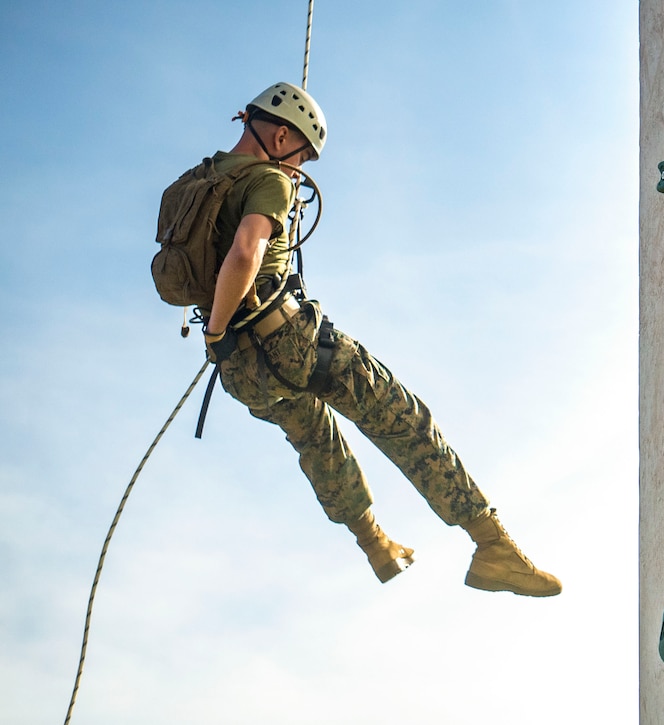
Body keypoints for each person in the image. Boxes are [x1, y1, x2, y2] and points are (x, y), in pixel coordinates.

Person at [197, 82, 560, 597]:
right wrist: (218, 324)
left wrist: (216, 336)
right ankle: (492, 545)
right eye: (300, 158)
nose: (299, 173)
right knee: (398, 413)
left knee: (314, 438)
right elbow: (244, 252)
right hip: (284, 339)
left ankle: (375, 544)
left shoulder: (200, 182)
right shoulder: (267, 182)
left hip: (237, 370)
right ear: (280, 136)